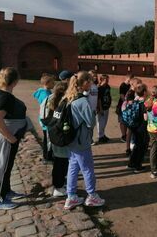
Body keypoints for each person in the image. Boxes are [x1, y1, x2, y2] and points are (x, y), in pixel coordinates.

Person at [63, 71, 105, 210]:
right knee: (87, 169)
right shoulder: (82, 101)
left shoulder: (69, 97)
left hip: (72, 139)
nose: (92, 83)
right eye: (90, 81)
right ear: (85, 82)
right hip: (81, 140)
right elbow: (91, 122)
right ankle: (92, 196)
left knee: (73, 167)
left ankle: (71, 196)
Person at [0, 67, 27, 210]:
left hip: (8, 136)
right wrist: (11, 138)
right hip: (7, 137)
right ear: (15, 81)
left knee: (7, 166)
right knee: (3, 167)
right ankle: (0, 199)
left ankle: (7, 191)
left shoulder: (1, 93)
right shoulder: (6, 97)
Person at [41, 81, 69, 197]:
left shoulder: (51, 100)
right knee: (61, 163)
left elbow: (44, 117)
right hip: (61, 137)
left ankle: (59, 184)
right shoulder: (64, 103)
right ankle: (58, 187)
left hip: (53, 135)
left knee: (58, 162)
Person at [124, 83, 148, 173]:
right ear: (144, 92)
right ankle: (138, 166)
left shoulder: (134, 101)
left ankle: (131, 163)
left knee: (136, 146)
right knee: (141, 146)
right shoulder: (144, 104)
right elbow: (145, 118)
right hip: (141, 127)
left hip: (134, 126)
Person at [33, 74, 55, 163]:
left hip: (46, 119)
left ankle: (48, 155)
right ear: (47, 83)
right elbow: (47, 107)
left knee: (48, 138)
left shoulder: (45, 92)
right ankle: (47, 157)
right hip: (46, 119)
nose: (54, 84)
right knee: (48, 139)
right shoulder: (45, 94)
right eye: (52, 82)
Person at [117, 74, 133, 142]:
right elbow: (122, 96)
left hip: (128, 105)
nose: (130, 81)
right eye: (129, 80)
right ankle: (123, 135)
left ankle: (127, 135)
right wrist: (125, 103)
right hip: (122, 105)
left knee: (126, 120)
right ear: (126, 78)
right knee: (122, 121)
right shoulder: (123, 85)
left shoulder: (130, 86)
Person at [97, 75, 111, 143]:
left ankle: (102, 135)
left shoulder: (108, 86)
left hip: (106, 106)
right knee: (100, 122)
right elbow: (99, 99)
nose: (108, 81)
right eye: (106, 80)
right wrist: (100, 108)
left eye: (108, 79)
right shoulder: (100, 88)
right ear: (102, 80)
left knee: (104, 122)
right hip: (102, 107)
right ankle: (100, 137)